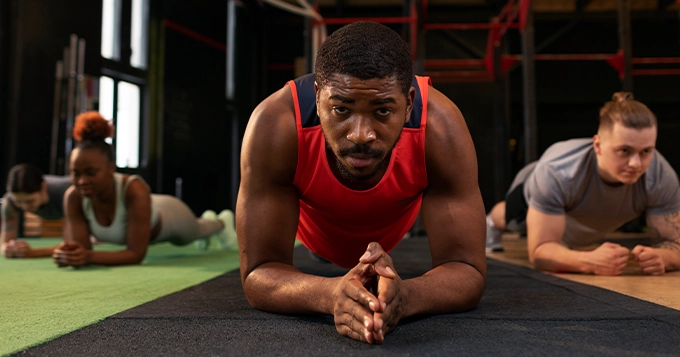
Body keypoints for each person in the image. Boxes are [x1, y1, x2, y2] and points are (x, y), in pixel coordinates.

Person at [237, 21, 486, 344]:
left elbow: (466, 269)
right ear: (317, 97)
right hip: (316, 237)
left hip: (392, 230)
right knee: (320, 261)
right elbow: (259, 273)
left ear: (409, 102)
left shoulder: (440, 128)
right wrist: (328, 293)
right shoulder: (275, 125)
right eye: (341, 109)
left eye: (382, 111)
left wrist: (406, 296)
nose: (361, 135)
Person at [486, 92, 680, 276]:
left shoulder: (661, 176)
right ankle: (490, 222)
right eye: (624, 151)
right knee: (511, 220)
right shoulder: (557, 172)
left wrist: (662, 257)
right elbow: (539, 252)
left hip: (583, 212)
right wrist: (588, 261)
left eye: (646, 151)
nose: (636, 163)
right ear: (598, 145)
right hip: (535, 185)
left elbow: (674, 245)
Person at [52, 111, 237, 267]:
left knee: (196, 231)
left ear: (111, 168)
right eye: (75, 173)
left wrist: (87, 257)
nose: (82, 181)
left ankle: (220, 222)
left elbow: (136, 254)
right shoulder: (73, 198)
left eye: (91, 173)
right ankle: (209, 219)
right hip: (150, 205)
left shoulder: (133, 189)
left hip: (171, 215)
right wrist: (71, 254)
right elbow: (83, 250)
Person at [1, 163, 71, 258]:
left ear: (43, 187)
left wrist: (34, 253)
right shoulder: (10, 202)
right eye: (18, 202)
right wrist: (8, 249)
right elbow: (5, 243)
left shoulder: (68, 194)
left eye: (30, 201)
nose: (25, 207)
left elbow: (71, 244)